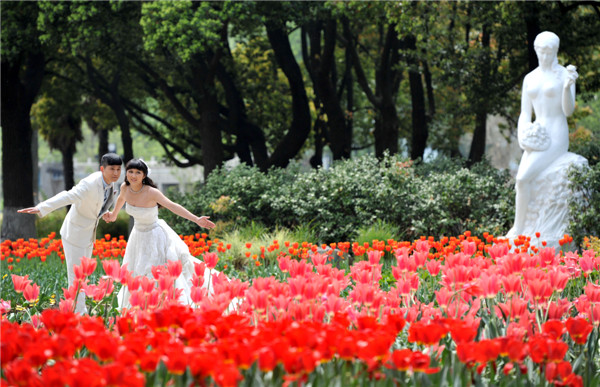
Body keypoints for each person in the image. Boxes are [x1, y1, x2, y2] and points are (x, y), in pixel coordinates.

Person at [102, 158, 216, 310]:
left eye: (138, 172)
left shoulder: (152, 192)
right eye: (130, 172)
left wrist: (196, 219)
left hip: (155, 236)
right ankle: (139, 308)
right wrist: (113, 215)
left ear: (144, 175)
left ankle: (161, 306)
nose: (133, 176)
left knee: (155, 271)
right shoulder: (124, 187)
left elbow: (172, 206)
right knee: (136, 271)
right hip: (137, 236)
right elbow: (121, 200)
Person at [19, 153, 123, 313]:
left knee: (84, 276)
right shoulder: (89, 183)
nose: (116, 173)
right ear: (102, 169)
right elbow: (69, 195)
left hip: (88, 235)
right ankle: (78, 314)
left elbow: (98, 204)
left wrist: (105, 213)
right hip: (74, 234)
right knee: (77, 277)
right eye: (112, 169)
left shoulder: (111, 183)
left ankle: (77, 310)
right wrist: (42, 207)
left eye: (118, 169)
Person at [507, 31, 579, 238]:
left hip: (556, 134)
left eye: (549, 52)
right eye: (541, 52)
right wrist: (523, 133)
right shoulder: (530, 78)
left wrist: (567, 88)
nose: (545, 56)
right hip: (537, 136)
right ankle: (518, 227)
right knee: (521, 180)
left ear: (555, 51)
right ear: (536, 50)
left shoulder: (565, 75)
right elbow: (524, 112)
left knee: (522, 179)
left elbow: (568, 111)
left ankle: (519, 229)